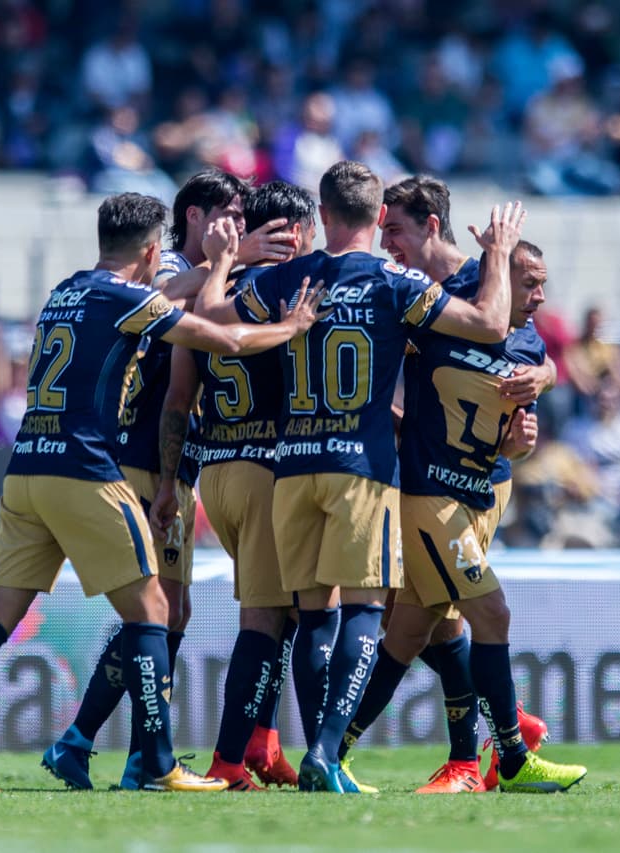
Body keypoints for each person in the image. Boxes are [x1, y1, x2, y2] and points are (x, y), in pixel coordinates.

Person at [0, 192, 327, 793]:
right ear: (151, 251)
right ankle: (158, 765)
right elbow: (225, 340)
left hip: (26, 466)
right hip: (84, 471)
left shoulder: (65, 290)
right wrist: (289, 325)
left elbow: (164, 295)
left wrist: (224, 260)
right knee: (155, 611)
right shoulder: (127, 297)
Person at [195, 160, 518, 793]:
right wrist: (500, 254)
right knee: (365, 611)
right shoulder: (394, 281)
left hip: (293, 468)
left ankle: (320, 753)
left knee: (314, 616)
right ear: (379, 216)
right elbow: (490, 324)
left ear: (322, 215)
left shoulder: (288, 276)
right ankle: (326, 752)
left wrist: (221, 261)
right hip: (360, 470)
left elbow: (210, 316)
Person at [37, 169, 295, 792]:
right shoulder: (168, 266)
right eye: (229, 214)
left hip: (170, 462)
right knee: (157, 610)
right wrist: (233, 259)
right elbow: (157, 298)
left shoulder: (209, 274)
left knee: (167, 612)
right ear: (195, 217)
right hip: (141, 457)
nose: (239, 227)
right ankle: (110, 748)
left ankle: (108, 748)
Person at [336, 177, 583, 794]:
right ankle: (506, 754)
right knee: (483, 614)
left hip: (485, 488)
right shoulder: (413, 296)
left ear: (431, 226)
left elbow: (525, 355)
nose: (385, 243)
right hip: (428, 493)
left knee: (410, 633)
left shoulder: (490, 288)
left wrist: (542, 384)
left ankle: (331, 750)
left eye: (394, 230)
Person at [149, 180, 320, 791]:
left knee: (285, 612)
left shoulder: (207, 298)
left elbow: (178, 399)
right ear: (294, 233)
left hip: (215, 471)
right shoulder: (287, 296)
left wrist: (169, 481)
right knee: (265, 621)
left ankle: (261, 743)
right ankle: (228, 757)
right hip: (264, 470)